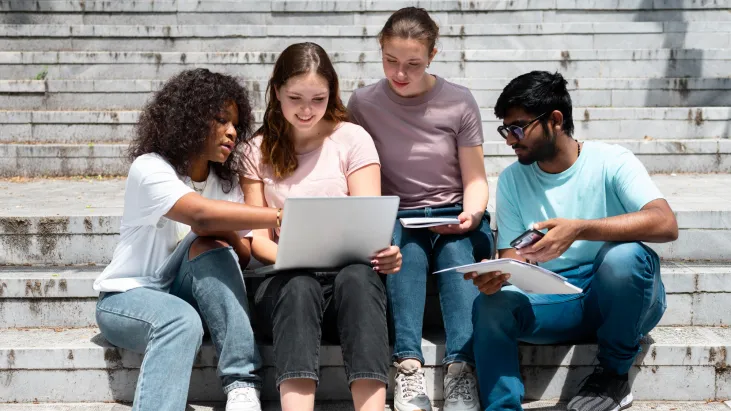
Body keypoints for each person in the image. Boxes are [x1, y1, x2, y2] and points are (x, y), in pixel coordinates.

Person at [467, 71, 678, 411]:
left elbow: (665, 223)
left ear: (554, 120)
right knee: (491, 304)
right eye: (506, 130)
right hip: (556, 299)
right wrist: (499, 274)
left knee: (624, 259)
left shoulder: (611, 161)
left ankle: (612, 375)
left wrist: (579, 229)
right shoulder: (512, 179)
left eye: (518, 128)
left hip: (620, 296)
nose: (510, 139)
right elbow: (512, 255)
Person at [93, 68, 279, 411]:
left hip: (185, 292)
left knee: (211, 246)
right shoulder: (150, 168)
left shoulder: (227, 185)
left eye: (236, 124)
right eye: (221, 120)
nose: (232, 132)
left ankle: (242, 384)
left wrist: (218, 232)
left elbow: (243, 253)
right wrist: (278, 216)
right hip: (128, 298)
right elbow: (201, 215)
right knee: (179, 319)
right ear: (189, 119)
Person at [240, 42, 402, 411]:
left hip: (347, 288)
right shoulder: (256, 150)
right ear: (276, 89)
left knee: (359, 278)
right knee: (299, 285)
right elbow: (257, 242)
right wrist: (293, 256)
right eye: (295, 97)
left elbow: (369, 223)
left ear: (332, 94)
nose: (307, 110)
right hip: (284, 287)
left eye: (319, 98)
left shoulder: (352, 139)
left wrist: (386, 253)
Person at [347, 7, 494, 411]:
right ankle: (408, 366)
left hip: (452, 211)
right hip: (397, 214)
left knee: (456, 250)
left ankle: (462, 370)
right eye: (391, 61)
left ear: (432, 55)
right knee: (403, 249)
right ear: (380, 49)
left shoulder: (458, 101)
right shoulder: (362, 103)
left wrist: (473, 213)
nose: (400, 73)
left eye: (412, 64)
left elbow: (476, 178)